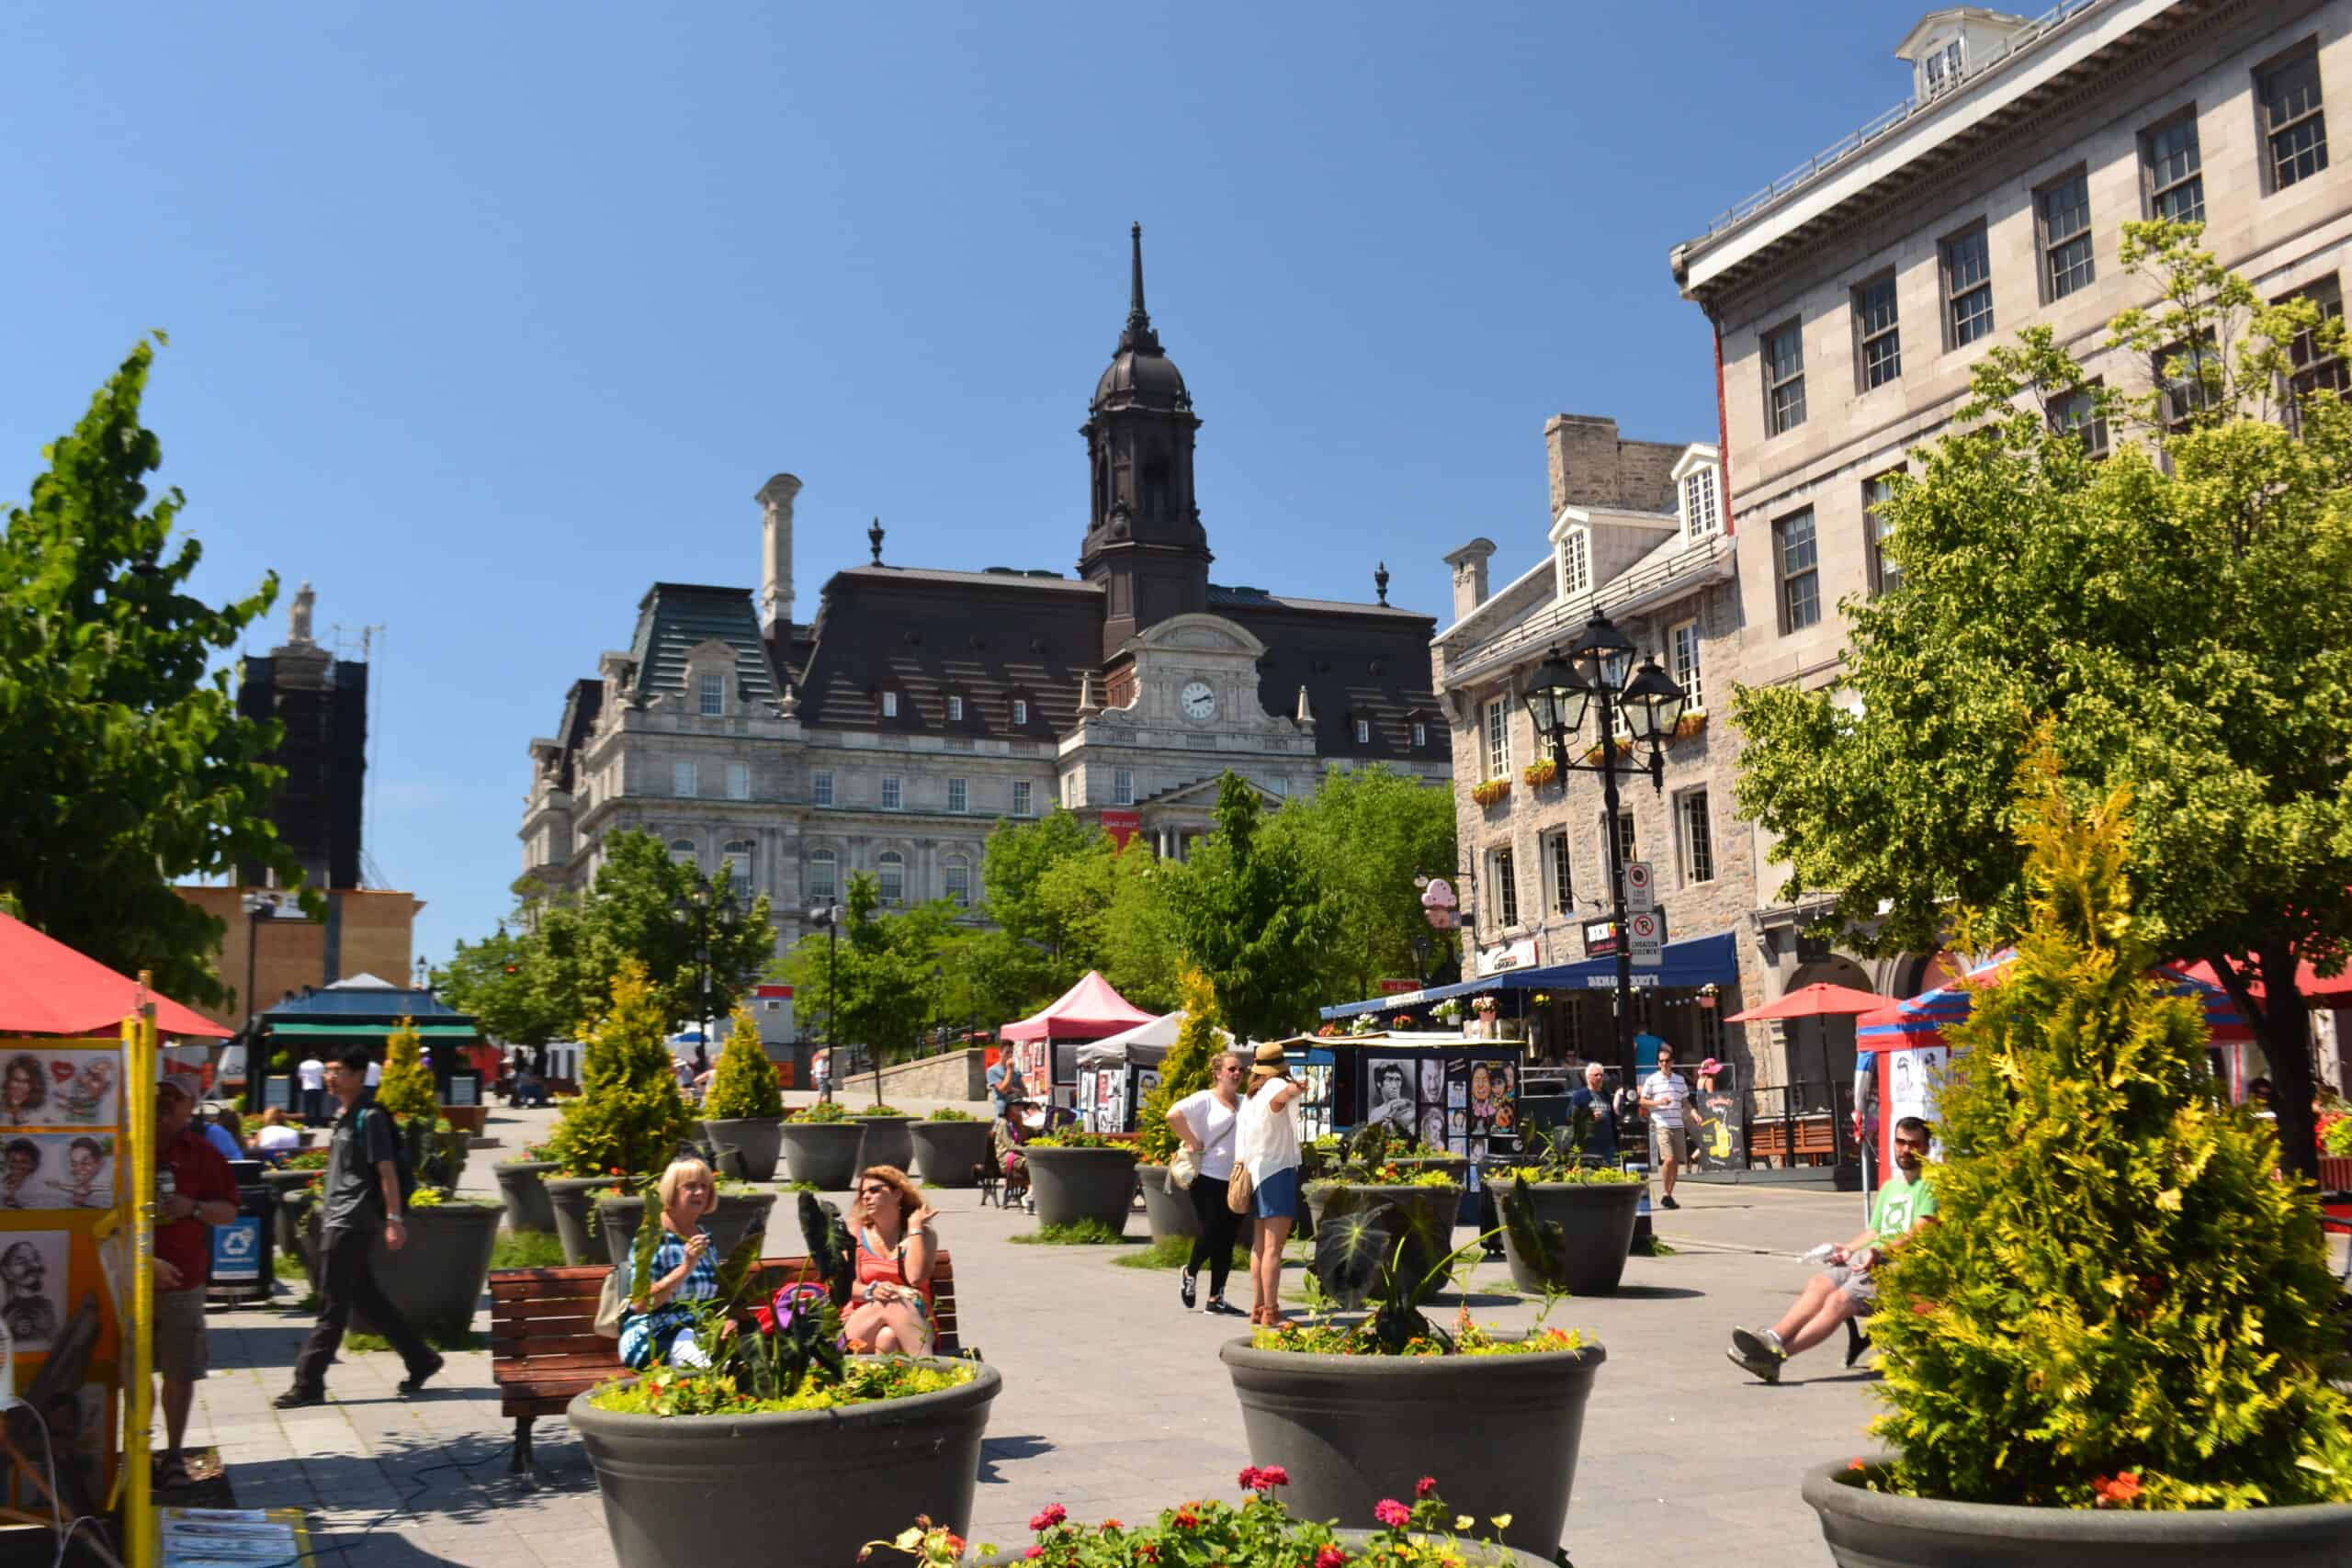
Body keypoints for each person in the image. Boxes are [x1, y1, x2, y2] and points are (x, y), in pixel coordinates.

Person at [277, 1045, 442, 1408]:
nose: (330, 1078)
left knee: (332, 1304)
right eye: (328, 1071)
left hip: (353, 1220)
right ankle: (421, 1358)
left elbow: (386, 1171)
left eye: (338, 1071)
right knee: (365, 1298)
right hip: (338, 1216)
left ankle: (308, 1382)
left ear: (358, 1075)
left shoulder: (372, 1118)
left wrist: (394, 1219)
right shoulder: (344, 1116)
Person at [1726, 1116, 1939, 1382]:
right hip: (1868, 1257)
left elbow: (1921, 1231)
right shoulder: (1890, 1187)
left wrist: (1882, 1253)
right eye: (1900, 1142)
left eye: (1913, 1144)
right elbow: (1874, 1232)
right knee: (1819, 1283)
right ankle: (1773, 1337)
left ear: (1926, 1148)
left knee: (1838, 1301)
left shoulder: (1930, 1185)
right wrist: (1847, 1249)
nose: (1905, 1149)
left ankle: (1775, 1357)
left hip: (1898, 1265)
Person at [153, 1073, 239, 1489]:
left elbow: (229, 1211)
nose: (170, 1104)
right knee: (125, 1370)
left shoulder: (201, 1153)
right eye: (165, 1096)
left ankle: (173, 1454)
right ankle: (133, 1450)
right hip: (125, 1278)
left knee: (179, 1370)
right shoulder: (127, 1147)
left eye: (179, 1099)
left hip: (183, 1280)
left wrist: (194, 1208)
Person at [617, 1157, 731, 1370]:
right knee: (711, 1367)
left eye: (705, 1186)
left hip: (699, 1332)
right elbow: (641, 1305)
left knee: (741, 1362)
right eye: (691, 1186)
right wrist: (685, 1267)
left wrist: (728, 1321)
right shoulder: (652, 1238)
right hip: (653, 1334)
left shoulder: (703, 1238)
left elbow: (716, 1297)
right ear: (672, 1191)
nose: (700, 1192)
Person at [1168, 1050, 1248, 1314]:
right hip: (1207, 1177)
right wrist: (1191, 1140)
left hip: (1236, 1179)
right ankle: (1190, 1272)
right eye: (1231, 1069)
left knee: (1227, 1239)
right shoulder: (1205, 1099)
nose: (1237, 1073)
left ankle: (1216, 1298)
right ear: (1217, 1073)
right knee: (1211, 1231)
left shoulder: (1245, 1102)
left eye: (1240, 1070)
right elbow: (1173, 1115)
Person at [1236, 1043, 1305, 1327]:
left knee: (1260, 1247)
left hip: (1257, 1171)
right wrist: (1297, 1087)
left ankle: (1257, 1307)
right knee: (1274, 1248)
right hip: (1277, 1170)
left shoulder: (1251, 1094)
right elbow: (1283, 1096)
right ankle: (1271, 1312)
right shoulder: (1275, 1086)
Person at [845, 1165, 938, 1355]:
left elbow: (915, 1278)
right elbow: (847, 1287)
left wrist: (914, 1228)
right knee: (893, 1299)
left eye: (874, 1190)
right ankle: (927, 1366)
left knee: (887, 1338)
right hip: (862, 1323)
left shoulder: (923, 1235)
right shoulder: (853, 1236)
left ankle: (909, 1371)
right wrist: (873, 1291)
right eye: (862, 1193)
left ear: (897, 1194)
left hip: (915, 1319)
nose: (866, 1197)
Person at [1641, 1043, 1694, 1210]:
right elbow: (1642, 1100)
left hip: (1677, 1124)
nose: (1664, 1063)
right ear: (1658, 1063)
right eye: (1661, 1061)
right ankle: (1665, 1192)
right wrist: (1658, 1102)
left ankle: (1668, 1195)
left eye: (1667, 1060)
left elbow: (1685, 1101)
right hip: (1661, 1124)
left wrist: (1694, 1113)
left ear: (1672, 1062)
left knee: (1676, 1162)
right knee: (1668, 1159)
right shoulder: (1652, 1080)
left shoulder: (1679, 1080)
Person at [1569, 1062, 1620, 1164]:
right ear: (1588, 1077)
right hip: (1589, 1146)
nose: (1599, 1077)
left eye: (1601, 1075)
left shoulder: (1606, 1095)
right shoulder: (1580, 1095)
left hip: (1607, 1145)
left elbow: (1613, 1119)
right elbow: (1570, 1116)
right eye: (1596, 1075)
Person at [0, 1055, 45, 1126]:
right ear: (8, 1081)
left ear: (33, 1085)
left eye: (26, 1081)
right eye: (16, 1080)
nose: (20, 1086)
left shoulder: (37, 1111)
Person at [987, 1053, 1027, 1119]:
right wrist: (1009, 1069)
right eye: (1007, 1052)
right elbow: (1003, 1090)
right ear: (1000, 1053)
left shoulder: (1016, 1071)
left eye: (1011, 1052)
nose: (1010, 1055)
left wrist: (1015, 1090)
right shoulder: (993, 1070)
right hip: (1003, 1112)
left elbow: (1025, 1093)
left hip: (1017, 1112)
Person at [297, 1052, 326, 1124]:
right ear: (315, 1057)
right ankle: (317, 1123)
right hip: (317, 1087)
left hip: (306, 1087)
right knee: (317, 1107)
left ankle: (307, 1123)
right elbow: (323, 1076)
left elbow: (299, 1076)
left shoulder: (302, 1064)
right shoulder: (320, 1064)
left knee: (307, 1107)